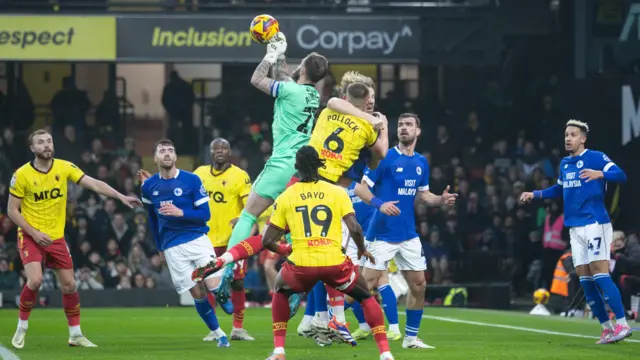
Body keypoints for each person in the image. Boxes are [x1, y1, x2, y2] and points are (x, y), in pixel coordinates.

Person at [8, 129, 141, 349]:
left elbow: (94, 183)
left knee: (69, 285)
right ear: (32, 148)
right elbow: (12, 211)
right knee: (36, 280)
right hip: (31, 235)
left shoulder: (64, 167)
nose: (46, 145)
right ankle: (22, 327)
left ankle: (75, 335)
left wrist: (120, 196)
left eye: (49, 141)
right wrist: (33, 233)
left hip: (55, 237)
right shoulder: (21, 175)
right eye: (40, 142)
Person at [260, 146, 395, 360]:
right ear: (320, 166)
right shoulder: (337, 192)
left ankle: (279, 351)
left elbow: (267, 240)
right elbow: (355, 228)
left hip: (301, 263)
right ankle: (385, 353)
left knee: (280, 290)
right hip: (334, 261)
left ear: (297, 168)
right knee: (365, 296)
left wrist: (284, 249)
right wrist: (362, 250)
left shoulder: (287, 196)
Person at [520, 119, 630, 344]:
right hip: (575, 227)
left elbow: (621, 175)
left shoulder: (596, 158)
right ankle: (607, 328)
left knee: (600, 274)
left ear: (583, 138)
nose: (568, 138)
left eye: (572, 134)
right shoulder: (565, 164)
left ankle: (622, 324)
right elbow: (560, 189)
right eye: (566, 135)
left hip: (594, 223)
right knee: (585, 280)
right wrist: (536, 194)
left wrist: (601, 174)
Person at [355, 113, 458, 349]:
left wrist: (441, 200)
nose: (403, 128)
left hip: (408, 234)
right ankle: (336, 317)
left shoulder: (421, 162)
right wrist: (381, 204)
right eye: (401, 125)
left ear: (418, 131)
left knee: (419, 285)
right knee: (363, 286)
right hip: (381, 233)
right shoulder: (384, 158)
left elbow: (423, 195)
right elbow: (361, 189)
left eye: (408, 125)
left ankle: (410, 339)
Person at [140, 139, 229, 348]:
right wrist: (160, 247)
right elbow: (152, 219)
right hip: (172, 247)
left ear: (176, 156)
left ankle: (224, 295)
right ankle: (219, 335)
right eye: (162, 151)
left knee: (212, 286)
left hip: (197, 239)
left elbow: (205, 214)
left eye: (170, 150)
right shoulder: (148, 187)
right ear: (155, 158)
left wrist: (181, 213)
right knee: (196, 293)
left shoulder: (192, 180)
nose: (167, 154)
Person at [193, 138, 255, 341]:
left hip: (232, 241)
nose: (219, 151)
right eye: (215, 148)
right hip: (205, 240)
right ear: (210, 152)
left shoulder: (240, 176)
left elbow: (250, 205)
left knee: (237, 282)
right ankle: (215, 329)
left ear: (230, 152)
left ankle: (238, 328)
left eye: (224, 148)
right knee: (205, 283)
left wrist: (242, 217)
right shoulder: (199, 174)